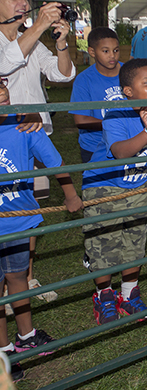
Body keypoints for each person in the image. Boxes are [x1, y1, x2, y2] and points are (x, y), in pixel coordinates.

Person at [0, 78, 83, 381]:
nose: (2, 90)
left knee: (17, 277)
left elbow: (54, 161)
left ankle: (26, 335)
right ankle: (4, 350)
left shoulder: (24, 126)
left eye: (1, 83)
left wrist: (70, 193)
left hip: (18, 222)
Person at [81, 59, 147, 325]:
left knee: (134, 243)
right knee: (104, 246)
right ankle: (104, 296)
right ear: (128, 91)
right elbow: (120, 152)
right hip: (104, 187)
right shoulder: (116, 113)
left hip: (138, 186)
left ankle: (129, 294)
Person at [0, 0, 76, 134]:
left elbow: (63, 75)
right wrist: (38, 26)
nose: (24, 4)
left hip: (39, 130)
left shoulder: (33, 42)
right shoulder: (32, 35)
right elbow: (4, 65)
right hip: (6, 135)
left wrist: (61, 42)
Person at [70, 27, 124, 163]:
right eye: (106, 51)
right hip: (94, 146)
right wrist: (115, 124)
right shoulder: (83, 80)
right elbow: (81, 120)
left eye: (116, 50)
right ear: (92, 52)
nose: (112, 55)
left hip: (126, 143)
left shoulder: (130, 73)